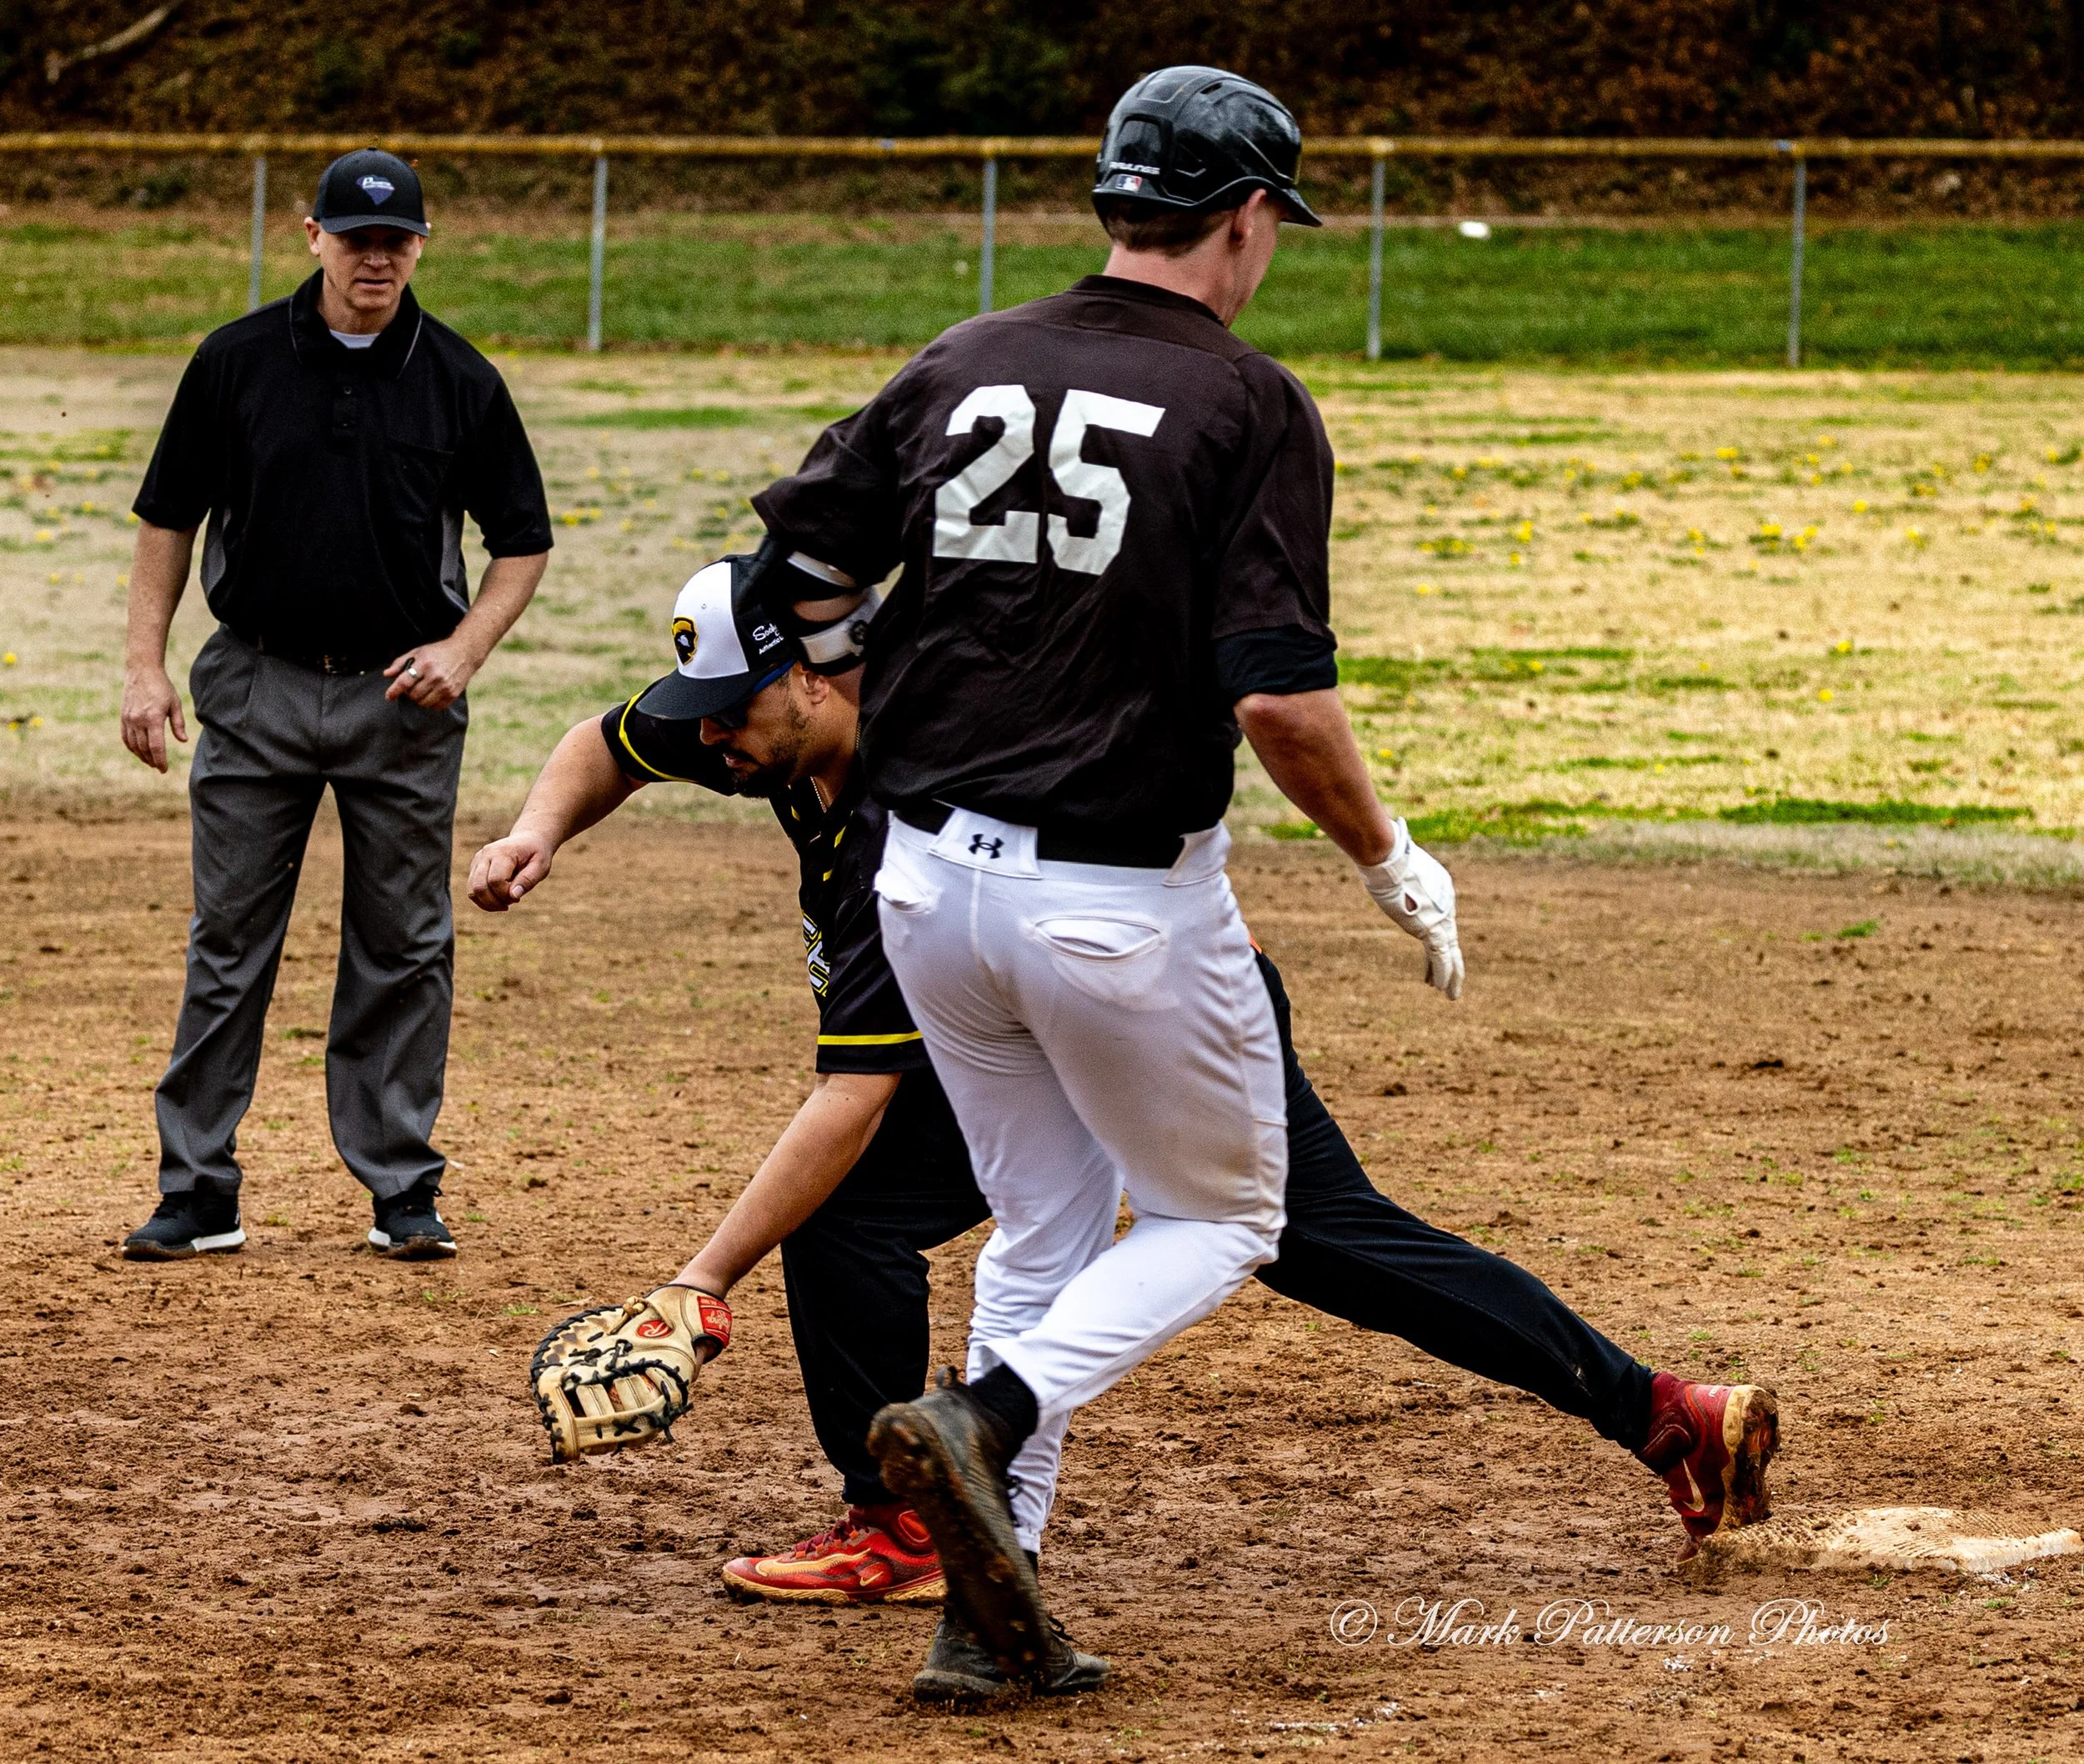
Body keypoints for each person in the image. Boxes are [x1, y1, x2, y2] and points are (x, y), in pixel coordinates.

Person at [471, 556, 1779, 1701]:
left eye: (735, 715)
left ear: (825, 680)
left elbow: (854, 1093)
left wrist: (699, 1282)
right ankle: (910, 1525)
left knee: (1312, 1241)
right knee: (856, 1223)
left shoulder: (899, 814)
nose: (711, 744)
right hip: (1023, 1005)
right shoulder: (768, 718)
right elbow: (608, 738)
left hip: (1160, 1009)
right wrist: (538, 832)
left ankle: (1654, 1406)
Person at [737, 64, 1465, 1687]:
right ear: (1247, 213)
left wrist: (890, 680)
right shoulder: (1245, 402)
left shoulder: (965, 357)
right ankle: (977, 1416)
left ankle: (982, 1621)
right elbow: (1276, 694)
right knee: (1229, 1210)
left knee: (1039, 1232)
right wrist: (1386, 857)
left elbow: (790, 569)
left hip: (922, 885)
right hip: (1113, 901)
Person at [117, 148, 553, 1264]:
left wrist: (464, 650)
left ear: (420, 245)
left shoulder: (459, 378)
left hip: (402, 699)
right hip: (256, 683)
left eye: (395, 237)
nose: (376, 255)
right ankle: (198, 1187)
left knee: (404, 945)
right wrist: (145, 666)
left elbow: (521, 545)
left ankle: (401, 1186)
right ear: (311, 236)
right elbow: (168, 516)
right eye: (355, 236)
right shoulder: (236, 363)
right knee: (229, 941)